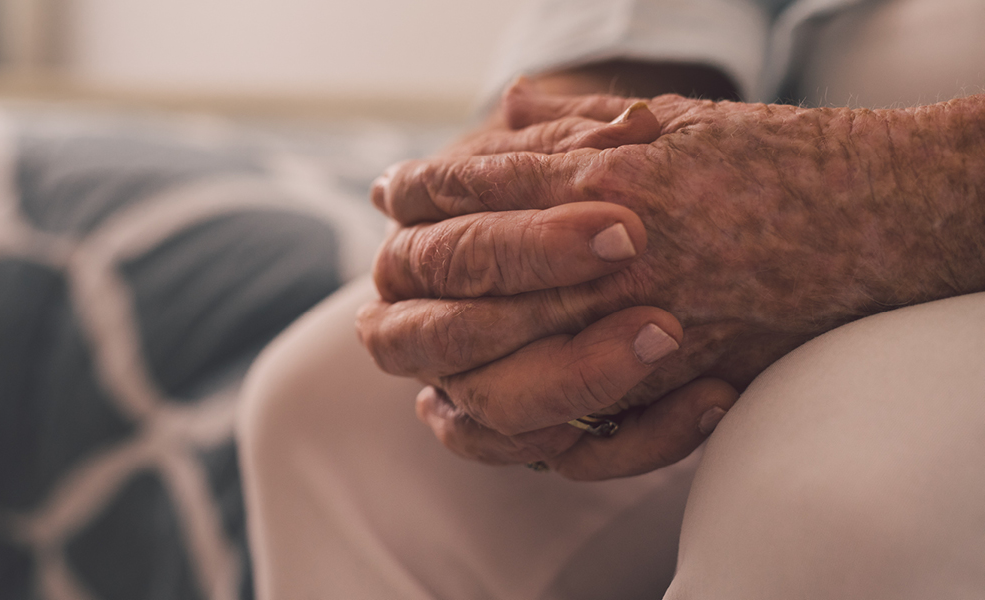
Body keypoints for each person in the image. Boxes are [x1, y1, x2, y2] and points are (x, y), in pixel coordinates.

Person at [238, 0, 985, 597]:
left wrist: (887, 192)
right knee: (329, 407)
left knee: (829, 494)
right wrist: (578, 140)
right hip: (800, 107)